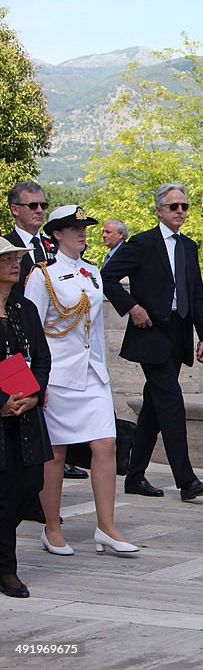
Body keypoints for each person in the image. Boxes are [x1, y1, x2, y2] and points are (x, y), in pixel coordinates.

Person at [24, 205, 138, 557]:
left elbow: (97, 328)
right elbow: (30, 328)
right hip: (58, 375)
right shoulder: (43, 276)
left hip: (92, 373)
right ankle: (53, 527)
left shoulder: (91, 272)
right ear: (57, 234)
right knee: (55, 453)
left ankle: (107, 526)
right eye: (74, 228)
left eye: (84, 227)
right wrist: (34, 381)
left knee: (106, 446)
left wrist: (101, 368)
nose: (82, 233)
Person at [101, 184, 203, 502]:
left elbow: (194, 295)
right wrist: (133, 307)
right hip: (150, 336)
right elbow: (107, 277)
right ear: (159, 211)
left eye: (184, 206)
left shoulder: (189, 247)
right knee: (172, 404)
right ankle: (186, 479)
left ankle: (135, 475)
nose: (180, 211)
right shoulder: (141, 243)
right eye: (173, 206)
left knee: (154, 405)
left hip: (178, 336)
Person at [4, 182, 81, 484]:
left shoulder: (51, 247)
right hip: (14, 342)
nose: (39, 211)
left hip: (48, 349)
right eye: (32, 206)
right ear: (14, 209)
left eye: (43, 206)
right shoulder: (6, 245)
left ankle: (38, 486)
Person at [0, 238, 51, 597]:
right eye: (6, 259)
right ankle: (7, 569)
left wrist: (33, 395)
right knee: (2, 494)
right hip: (1, 413)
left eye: (16, 258)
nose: (15, 263)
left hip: (25, 416)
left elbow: (43, 360)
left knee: (29, 485)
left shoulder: (24, 308)